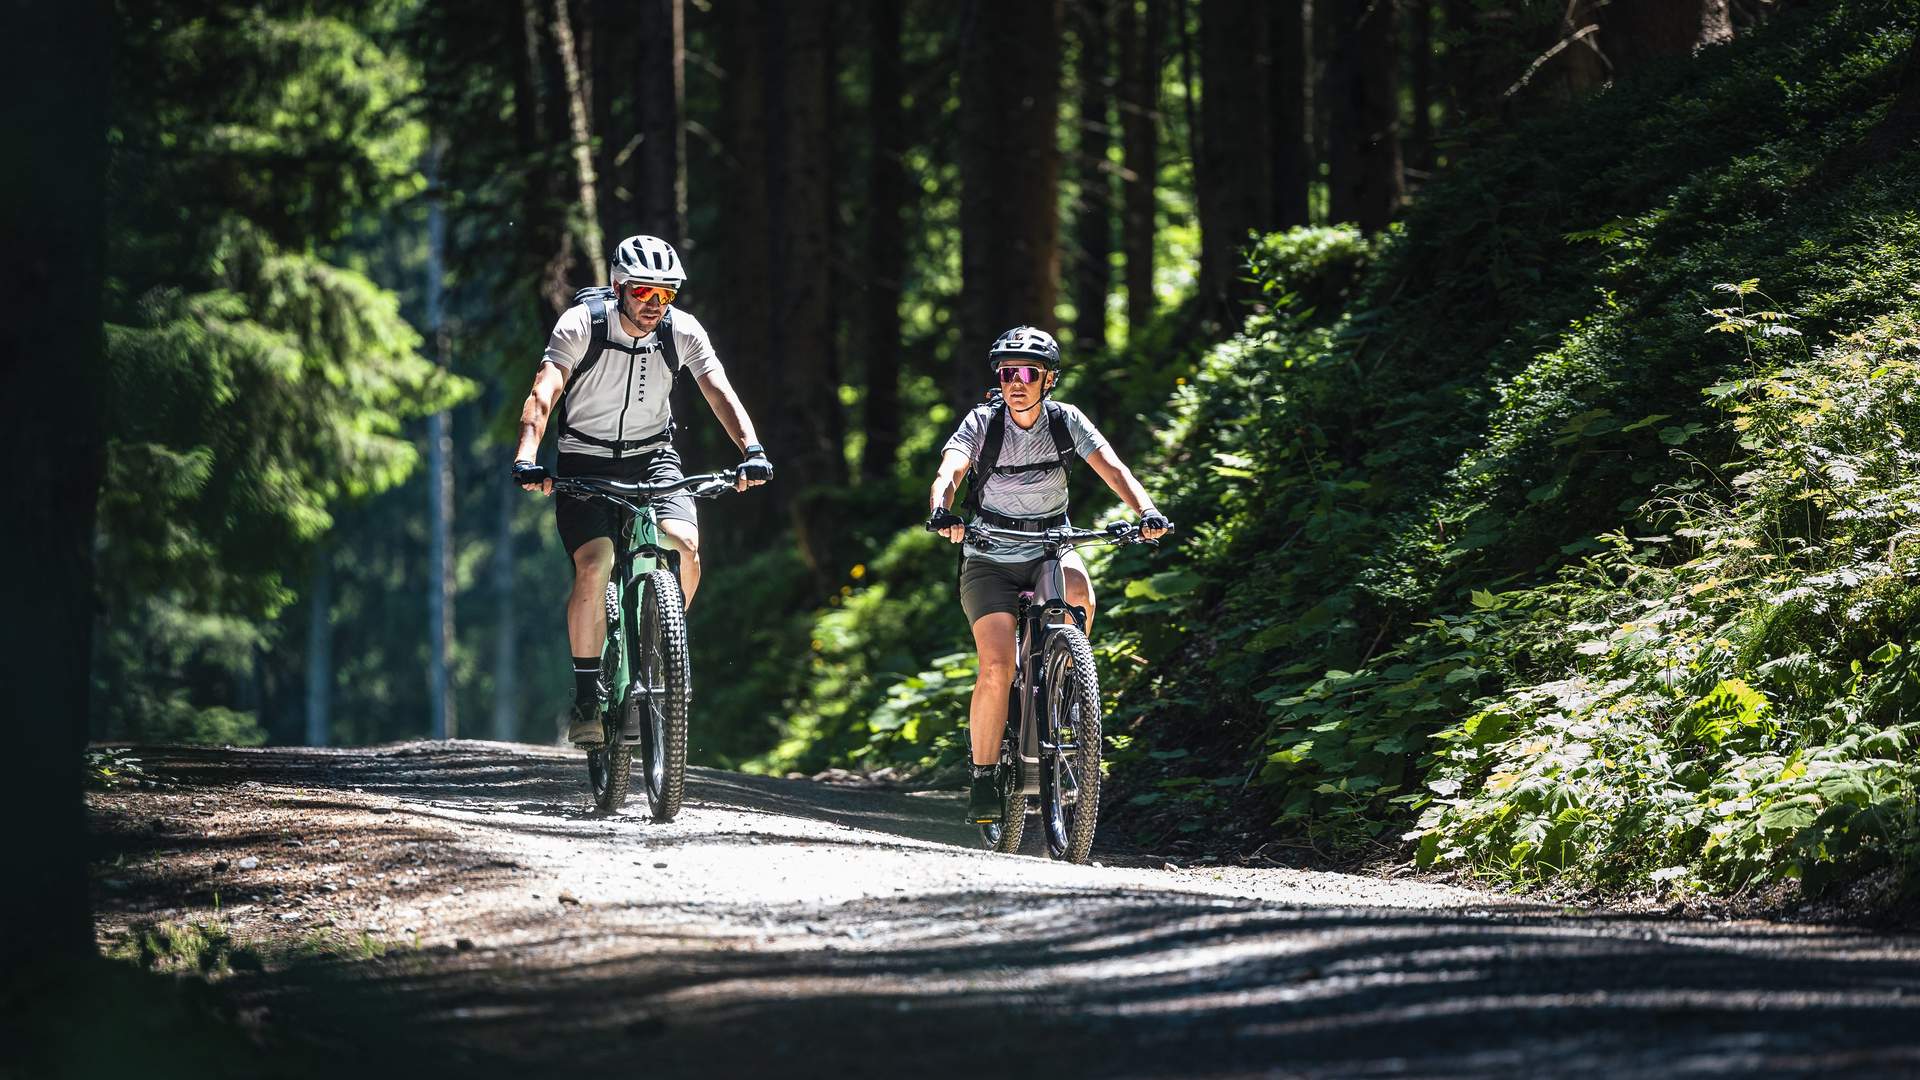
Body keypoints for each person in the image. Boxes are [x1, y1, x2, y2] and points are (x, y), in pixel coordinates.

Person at [511, 235, 772, 746]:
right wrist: (527, 456)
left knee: (686, 545)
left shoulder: (681, 331)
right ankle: (588, 698)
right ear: (618, 288)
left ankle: (661, 650)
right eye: (643, 292)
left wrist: (752, 449)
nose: (655, 304)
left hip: (654, 457)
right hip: (585, 460)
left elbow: (719, 389)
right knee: (595, 564)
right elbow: (544, 391)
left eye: (666, 294)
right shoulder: (582, 325)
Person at [926, 326, 1171, 823]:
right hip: (989, 555)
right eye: (1007, 373)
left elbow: (1114, 469)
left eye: (1027, 373)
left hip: (1050, 545)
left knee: (1079, 591)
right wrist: (941, 510)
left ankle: (1067, 681)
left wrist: (1146, 510)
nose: (1016, 382)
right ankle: (984, 776)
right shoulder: (983, 422)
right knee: (997, 666)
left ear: (1048, 379)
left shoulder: (1066, 421)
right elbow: (950, 471)